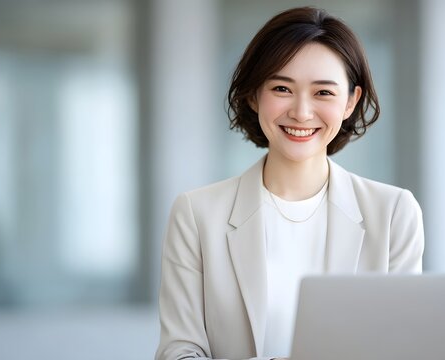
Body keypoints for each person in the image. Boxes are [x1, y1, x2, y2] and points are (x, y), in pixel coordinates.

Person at [155, 6, 424, 360]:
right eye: (282, 88)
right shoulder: (197, 214)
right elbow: (178, 352)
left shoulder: (393, 213)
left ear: (350, 101)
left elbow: (405, 349)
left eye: (323, 92)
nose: (301, 112)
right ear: (253, 95)